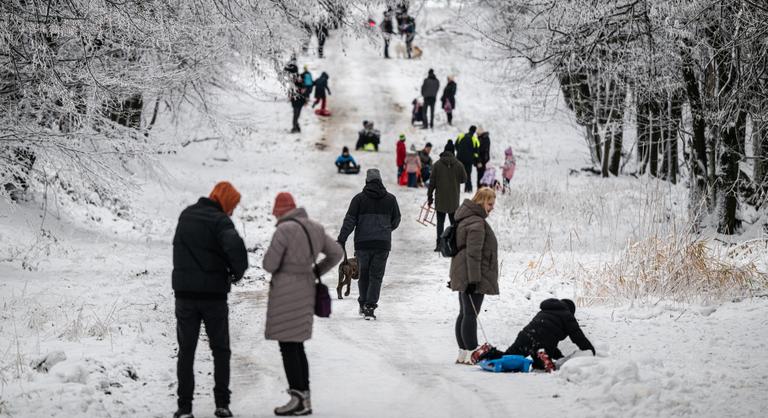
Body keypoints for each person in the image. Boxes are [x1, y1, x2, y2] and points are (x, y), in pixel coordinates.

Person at [172, 181, 248, 418]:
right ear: (224, 201)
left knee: (186, 351)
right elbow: (237, 250)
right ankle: (222, 404)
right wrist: (236, 273)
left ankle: (184, 408)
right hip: (213, 296)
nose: (232, 211)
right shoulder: (220, 221)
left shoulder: (186, 215)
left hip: (185, 296)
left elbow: (177, 248)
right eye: (232, 206)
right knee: (221, 350)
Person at [264, 192, 343, 416]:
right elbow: (336, 252)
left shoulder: (283, 230)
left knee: (288, 346)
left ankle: (297, 399)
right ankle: (304, 398)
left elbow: (269, 264)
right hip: (306, 288)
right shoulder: (315, 228)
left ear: (280, 210)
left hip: (284, 292)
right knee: (297, 344)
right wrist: (316, 270)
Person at [337, 169, 401, 320]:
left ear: (367, 181)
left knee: (364, 275)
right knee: (376, 277)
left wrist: (342, 238)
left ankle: (363, 304)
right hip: (382, 244)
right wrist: (386, 230)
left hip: (363, 244)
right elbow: (396, 220)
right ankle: (370, 307)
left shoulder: (358, 199)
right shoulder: (391, 199)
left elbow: (349, 221)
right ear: (380, 181)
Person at [449, 188, 498, 365]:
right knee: (470, 314)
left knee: (464, 313)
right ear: (481, 202)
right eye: (490, 204)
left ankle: (463, 353)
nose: (492, 207)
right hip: (472, 273)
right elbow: (473, 254)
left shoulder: (466, 218)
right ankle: (471, 352)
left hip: (463, 271)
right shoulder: (477, 223)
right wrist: (474, 280)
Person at [475, 299, 596, 369]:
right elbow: (577, 336)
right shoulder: (566, 315)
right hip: (544, 342)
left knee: (507, 356)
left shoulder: (545, 311)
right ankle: (542, 357)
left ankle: (489, 352)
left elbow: (543, 333)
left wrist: (560, 357)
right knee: (542, 365)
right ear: (571, 310)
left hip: (525, 336)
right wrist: (590, 350)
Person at [428, 140, 467, 251]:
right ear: (453, 152)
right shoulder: (459, 165)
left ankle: (439, 245)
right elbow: (464, 179)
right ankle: (454, 245)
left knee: (440, 223)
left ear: (444, 151)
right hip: (453, 200)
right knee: (454, 224)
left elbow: (432, 183)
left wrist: (429, 196)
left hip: (440, 199)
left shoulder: (437, 165)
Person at [455, 125, 479, 192]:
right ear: (474, 131)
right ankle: (468, 188)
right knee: (468, 174)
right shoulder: (475, 139)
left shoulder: (461, 136)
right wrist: (475, 160)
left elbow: (456, 145)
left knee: (457, 174)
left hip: (459, 158)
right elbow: (476, 151)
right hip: (469, 160)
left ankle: (456, 188)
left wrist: (460, 152)